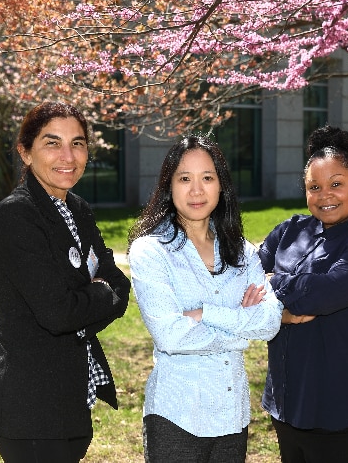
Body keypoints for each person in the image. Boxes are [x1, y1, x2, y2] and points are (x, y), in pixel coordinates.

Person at [0, 102, 131, 463]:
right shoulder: (16, 215)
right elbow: (59, 313)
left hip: (71, 398)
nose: (68, 156)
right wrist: (101, 291)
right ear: (25, 153)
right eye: (52, 143)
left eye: (77, 143)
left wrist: (95, 297)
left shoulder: (77, 208)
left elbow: (121, 286)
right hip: (30, 409)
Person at [127, 134, 283, 463]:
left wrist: (204, 313)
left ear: (221, 185)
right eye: (185, 179)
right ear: (169, 186)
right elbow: (170, 335)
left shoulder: (242, 251)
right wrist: (240, 329)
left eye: (207, 178)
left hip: (232, 415)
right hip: (176, 416)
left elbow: (269, 322)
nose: (196, 191)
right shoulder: (151, 252)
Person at [258, 125, 348, 463]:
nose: (325, 196)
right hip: (287, 401)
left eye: (337, 184)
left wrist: (270, 282)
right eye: (314, 187)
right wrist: (281, 310)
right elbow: (237, 284)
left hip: (345, 408)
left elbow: (319, 295)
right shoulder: (289, 231)